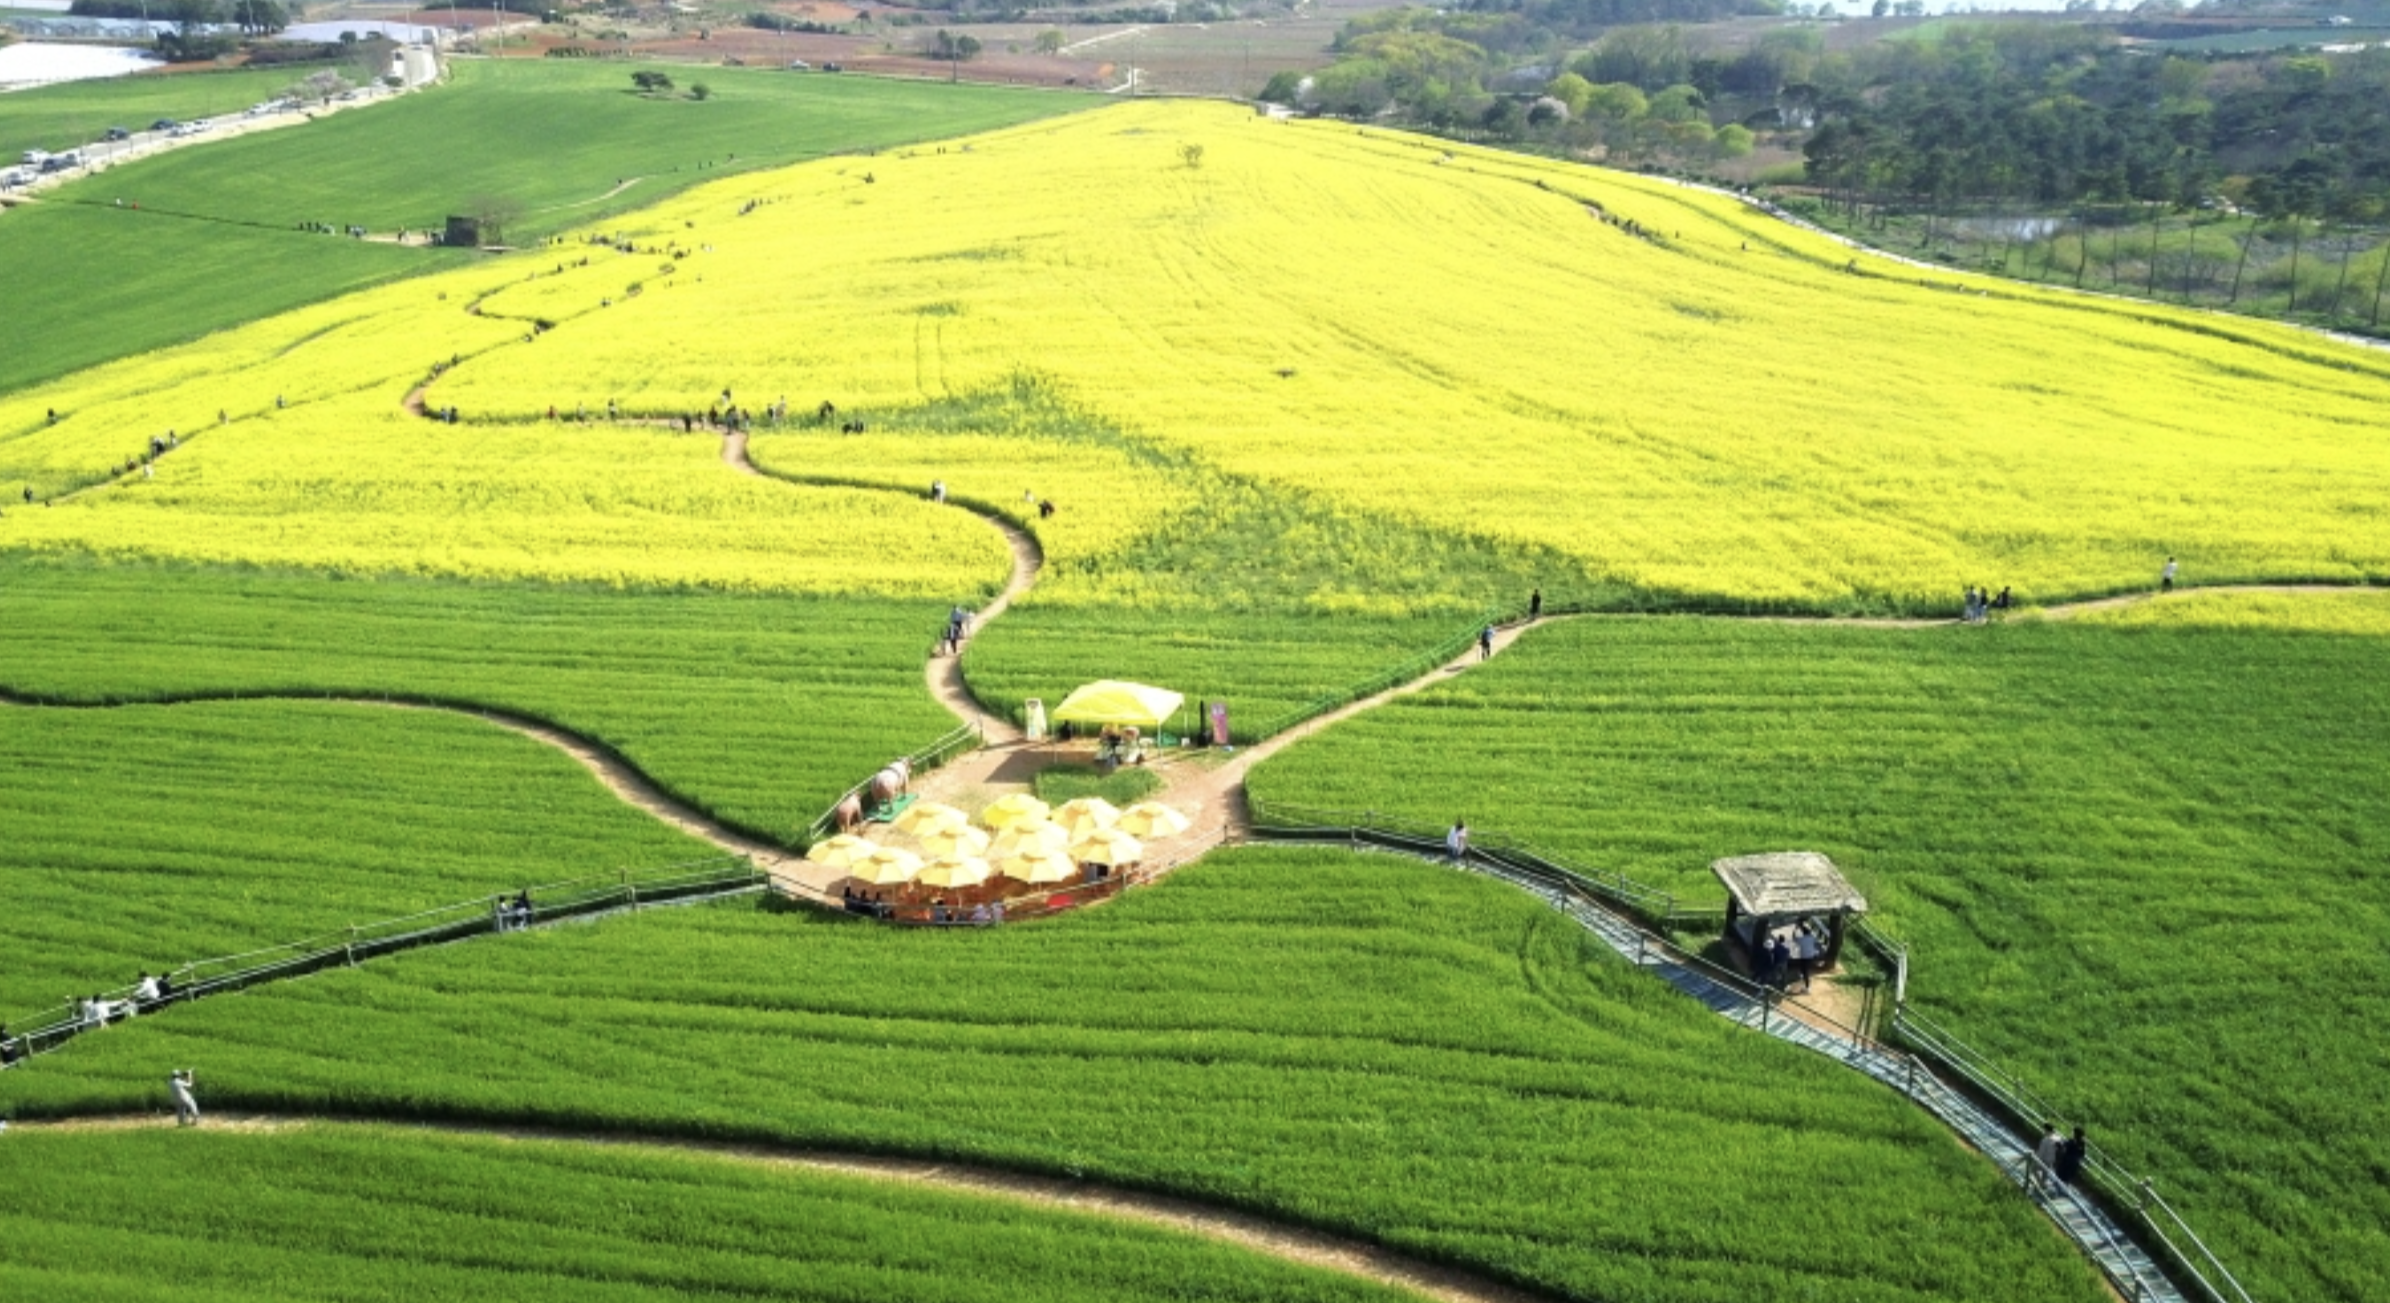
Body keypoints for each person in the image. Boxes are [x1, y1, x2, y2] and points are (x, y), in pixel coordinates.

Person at [2032, 1123, 2063, 1196]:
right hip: (2052, 1159)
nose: (2043, 1131)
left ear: (2046, 1130)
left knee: (2033, 1169)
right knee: (2045, 1174)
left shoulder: (2045, 1140)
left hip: (2044, 1159)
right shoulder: (2058, 1138)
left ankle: (2041, 1185)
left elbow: (2041, 1153)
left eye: (2044, 1130)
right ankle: (2042, 1187)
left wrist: (2035, 1159)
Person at [1791, 925, 1819, 994]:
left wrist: (1794, 930)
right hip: (1811, 956)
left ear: (1803, 933)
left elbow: (1794, 938)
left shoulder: (1801, 939)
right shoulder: (1812, 937)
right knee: (1805, 970)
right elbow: (1816, 938)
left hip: (1804, 956)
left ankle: (1807, 987)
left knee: (1804, 971)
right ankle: (1805, 983)